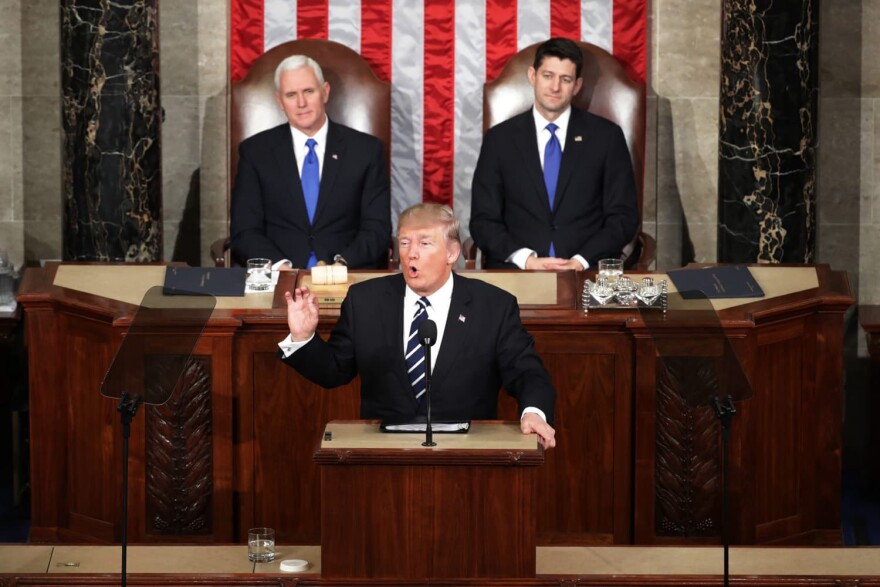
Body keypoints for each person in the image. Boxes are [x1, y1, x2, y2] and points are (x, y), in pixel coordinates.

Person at [278, 203, 557, 449]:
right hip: (383, 457)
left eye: (424, 244)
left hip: (468, 457)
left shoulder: (493, 306)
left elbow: (528, 373)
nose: (411, 254)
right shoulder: (365, 301)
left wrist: (533, 412)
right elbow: (334, 371)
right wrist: (303, 338)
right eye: (404, 243)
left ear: (452, 253)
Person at [470, 37, 639, 270]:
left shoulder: (606, 137)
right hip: (518, 272)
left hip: (586, 272)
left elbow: (623, 217)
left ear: (577, 85)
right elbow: (483, 220)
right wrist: (525, 259)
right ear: (533, 76)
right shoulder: (500, 140)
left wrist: (581, 261)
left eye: (565, 79)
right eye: (548, 76)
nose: (555, 87)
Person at [230, 55, 391, 269]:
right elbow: (244, 230)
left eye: (308, 91)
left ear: (325, 92)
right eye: (291, 95)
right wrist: (281, 266)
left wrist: (342, 263)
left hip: (346, 275)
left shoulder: (365, 150)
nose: (301, 103)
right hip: (280, 276)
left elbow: (376, 228)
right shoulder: (256, 152)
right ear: (279, 101)